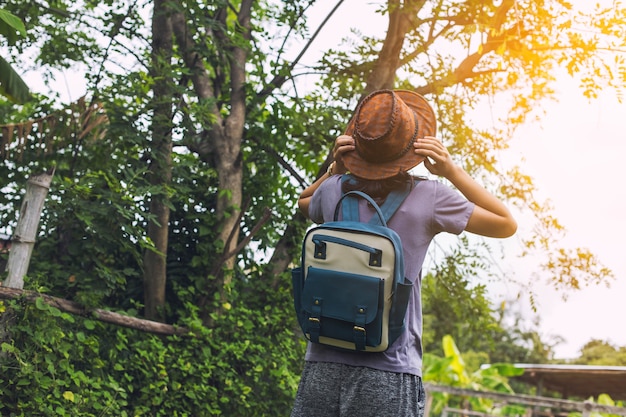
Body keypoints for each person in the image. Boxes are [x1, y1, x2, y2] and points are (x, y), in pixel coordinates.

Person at [291, 89, 517, 417]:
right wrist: (451, 170)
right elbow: (505, 223)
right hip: (390, 367)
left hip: (323, 361)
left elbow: (303, 203)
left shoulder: (332, 191)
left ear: (358, 144)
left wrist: (334, 168)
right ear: (412, 148)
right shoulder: (430, 197)